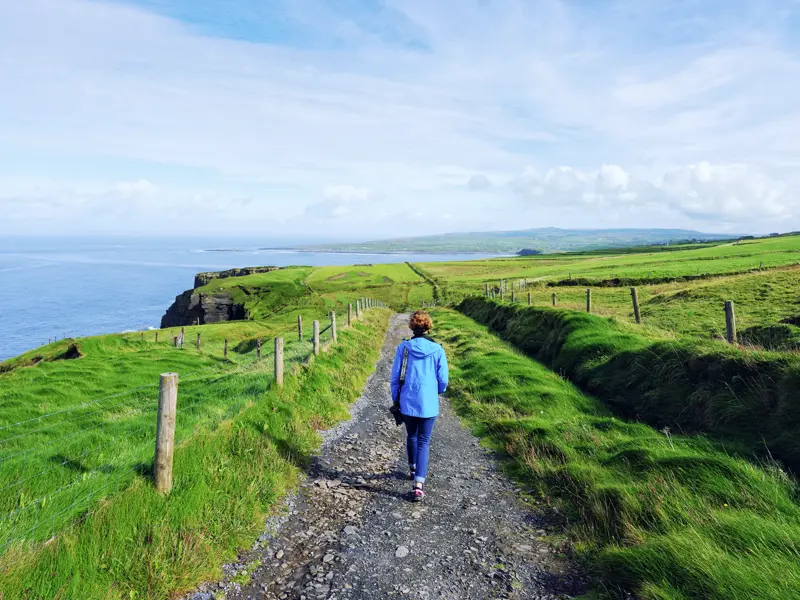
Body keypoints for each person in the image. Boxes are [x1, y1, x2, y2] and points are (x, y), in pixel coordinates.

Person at [390, 311, 449, 501]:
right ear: (428, 326)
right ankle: (418, 485)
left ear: (412, 326)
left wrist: (396, 399)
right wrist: (437, 391)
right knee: (424, 441)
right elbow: (443, 380)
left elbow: (395, 378)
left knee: (411, 435)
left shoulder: (404, 348)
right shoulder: (438, 350)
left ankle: (412, 467)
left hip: (407, 401)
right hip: (428, 402)